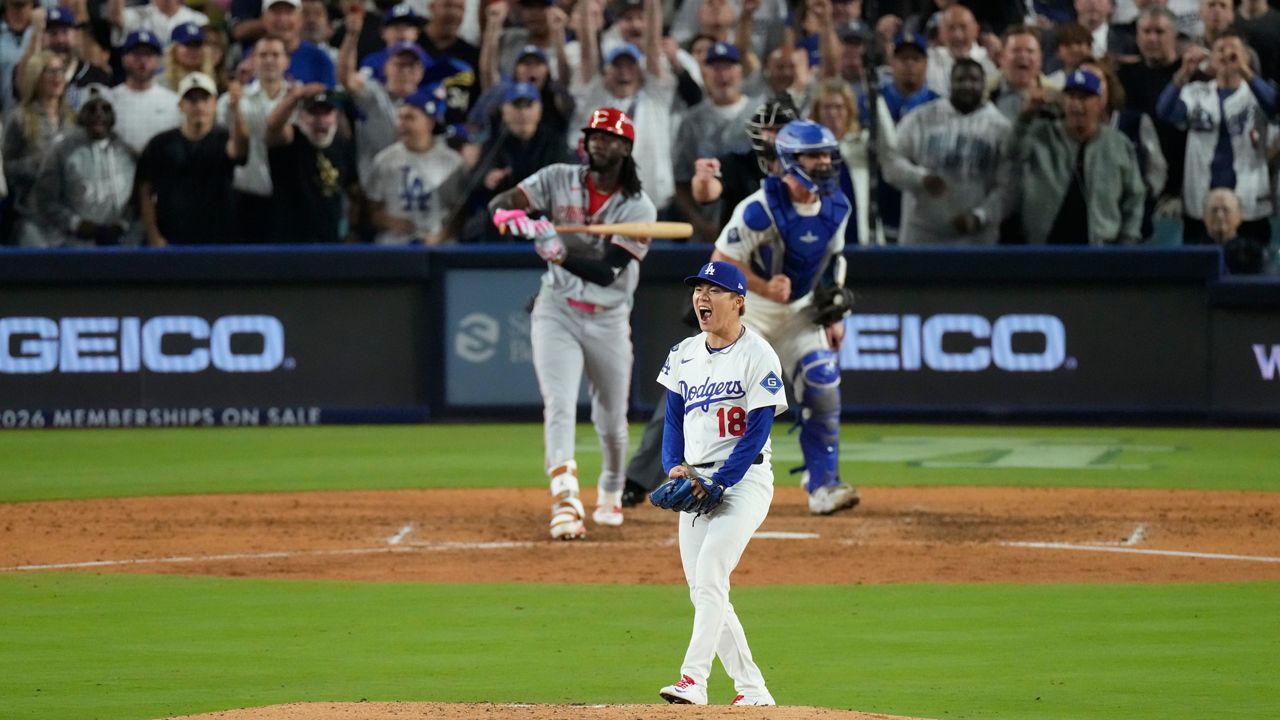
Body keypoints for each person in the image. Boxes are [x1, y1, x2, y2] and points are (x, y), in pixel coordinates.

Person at [487, 106, 657, 539]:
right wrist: (514, 218)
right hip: (556, 307)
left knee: (612, 423)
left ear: (625, 147)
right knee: (559, 404)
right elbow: (502, 200)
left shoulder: (638, 206)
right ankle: (564, 500)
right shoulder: (558, 177)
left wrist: (558, 251)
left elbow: (607, 270)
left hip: (608, 317)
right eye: (593, 135)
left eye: (609, 137)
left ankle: (612, 489)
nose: (598, 142)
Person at [653, 259, 786, 708]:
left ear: (738, 302)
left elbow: (758, 430)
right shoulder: (683, 353)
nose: (701, 297)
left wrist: (723, 482)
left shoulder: (759, 354)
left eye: (713, 289)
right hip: (695, 480)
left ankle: (693, 680)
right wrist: (676, 467)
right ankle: (753, 690)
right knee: (704, 589)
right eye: (698, 289)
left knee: (711, 573)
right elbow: (673, 417)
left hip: (744, 479)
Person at [710, 119, 859, 516]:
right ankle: (717, 481)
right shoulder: (759, 209)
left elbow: (833, 260)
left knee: (823, 382)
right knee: (732, 399)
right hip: (752, 313)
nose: (824, 163)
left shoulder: (837, 207)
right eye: (814, 155)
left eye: (828, 154)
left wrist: (833, 315)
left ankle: (823, 483)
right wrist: (760, 285)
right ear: (791, 160)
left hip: (801, 310)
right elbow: (720, 261)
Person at [1157, 31, 1279, 246]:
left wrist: (1244, 69)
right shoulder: (1195, 92)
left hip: (1250, 201)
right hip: (1201, 202)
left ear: (1246, 57)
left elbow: (1274, 107)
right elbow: (1164, 111)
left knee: (1250, 271)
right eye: (1220, 50)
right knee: (1198, 270)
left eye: (1234, 51)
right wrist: (1183, 72)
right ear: (1211, 59)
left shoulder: (1256, 93)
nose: (1226, 55)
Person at [886, 57, 1012, 245]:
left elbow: (1009, 187)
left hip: (975, 239)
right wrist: (920, 178)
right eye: (960, 80)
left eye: (974, 80)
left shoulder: (1001, 128)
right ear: (949, 83)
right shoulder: (920, 118)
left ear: (984, 84)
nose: (967, 85)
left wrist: (980, 216)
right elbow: (890, 163)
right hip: (921, 235)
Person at [1015, 68, 1147, 244]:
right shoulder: (1043, 135)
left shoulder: (1118, 143)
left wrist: (1128, 239)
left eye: (1085, 97)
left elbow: (1135, 196)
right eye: (1071, 97)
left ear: (1100, 103)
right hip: (1046, 245)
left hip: (1101, 246)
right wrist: (1025, 117)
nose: (1077, 104)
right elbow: (1012, 154)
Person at [136, 72, 249, 245]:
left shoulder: (224, 139)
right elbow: (145, 190)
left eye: (205, 99)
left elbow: (239, 150)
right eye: (192, 100)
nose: (199, 106)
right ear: (181, 104)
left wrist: (237, 110)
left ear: (215, 104)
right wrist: (154, 236)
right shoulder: (160, 144)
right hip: (173, 239)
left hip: (219, 240)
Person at [30, 92, 140, 247]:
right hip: (73, 244)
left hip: (121, 243)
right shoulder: (61, 152)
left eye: (105, 109)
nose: (99, 115)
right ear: (81, 114)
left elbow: (138, 200)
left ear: (114, 116)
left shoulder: (128, 153)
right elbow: (45, 200)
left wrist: (123, 224)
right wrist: (76, 224)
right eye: (92, 109)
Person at [364, 87, 466, 244]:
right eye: (400, 118)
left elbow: (459, 212)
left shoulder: (452, 161)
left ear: (429, 123)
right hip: (394, 245)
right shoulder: (385, 159)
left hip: (439, 246)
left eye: (410, 118)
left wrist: (442, 235)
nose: (402, 124)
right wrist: (390, 221)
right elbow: (371, 209)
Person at [265, 84, 361, 243]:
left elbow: (354, 191)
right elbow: (272, 126)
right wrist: (294, 97)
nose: (321, 120)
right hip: (289, 243)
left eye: (326, 113)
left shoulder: (343, 146)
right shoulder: (291, 141)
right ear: (301, 116)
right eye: (314, 113)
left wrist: (352, 229)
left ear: (336, 116)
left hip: (330, 241)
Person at [218, 34, 290, 243]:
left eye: (275, 55)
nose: (269, 60)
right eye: (263, 55)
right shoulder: (231, 100)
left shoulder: (298, 99)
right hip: (244, 196)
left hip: (289, 198)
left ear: (287, 61)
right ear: (252, 61)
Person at [3, 48, 75, 245]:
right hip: (33, 217)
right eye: (50, 71)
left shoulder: (72, 119)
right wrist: (42, 163)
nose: (57, 77)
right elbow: (7, 169)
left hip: (68, 217)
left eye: (61, 71)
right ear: (36, 76)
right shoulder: (19, 118)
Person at [108, 30, 180, 156]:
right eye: (137, 54)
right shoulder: (110, 99)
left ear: (158, 60)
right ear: (124, 58)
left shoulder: (173, 101)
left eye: (149, 54)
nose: (143, 60)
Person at [1204, 187, 1269, 273]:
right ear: (1204, 216)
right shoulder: (1192, 251)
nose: (1220, 216)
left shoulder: (1256, 253)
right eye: (1214, 210)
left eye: (1225, 210)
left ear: (1239, 215)